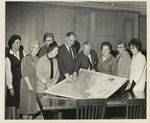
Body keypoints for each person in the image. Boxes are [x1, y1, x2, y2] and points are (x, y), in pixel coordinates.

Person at [5, 34, 25, 119]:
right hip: (13, 82)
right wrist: (10, 87)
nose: (19, 44)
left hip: (21, 82)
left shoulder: (22, 52)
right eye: (17, 43)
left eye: (20, 42)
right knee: (12, 103)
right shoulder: (8, 56)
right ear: (12, 44)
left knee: (18, 103)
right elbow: (8, 72)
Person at [19, 41, 40, 119]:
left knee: (32, 108)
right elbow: (24, 74)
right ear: (31, 48)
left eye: (38, 48)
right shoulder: (26, 58)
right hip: (27, 84)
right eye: (35, 48)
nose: (37, 49)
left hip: (35, 83)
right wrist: (30, 86)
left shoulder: (38, 59)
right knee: (26, 108)